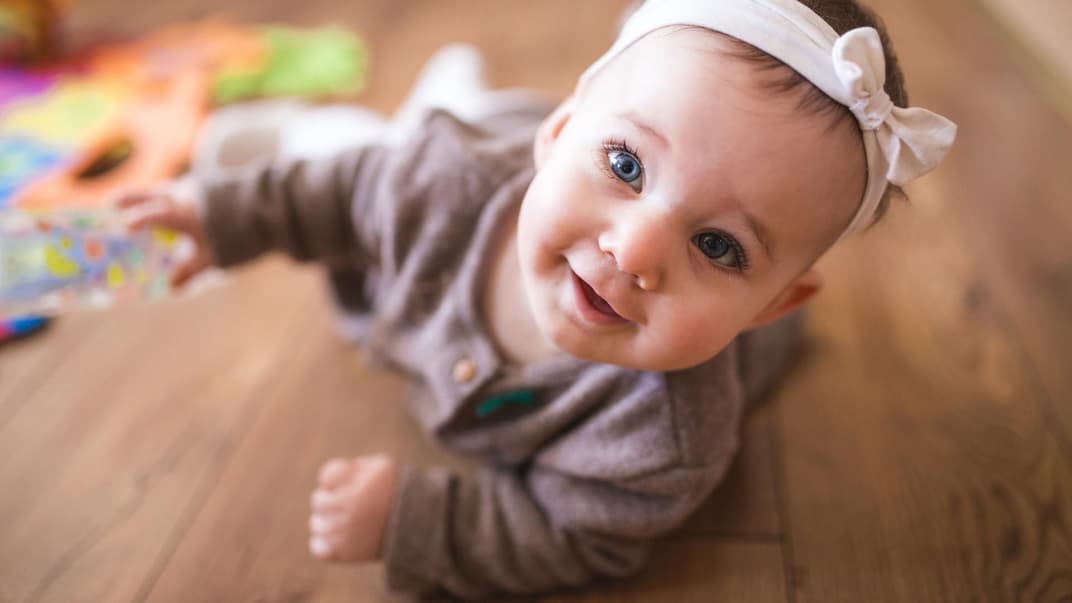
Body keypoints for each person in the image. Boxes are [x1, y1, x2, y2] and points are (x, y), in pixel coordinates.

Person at [119, 0, 957, 597]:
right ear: (561, 136)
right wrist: (219, 216)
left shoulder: (666, 435)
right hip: (478, 150)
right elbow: (339, 194)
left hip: (514, 157)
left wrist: (418, 518)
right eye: (627, 165)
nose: (632, 252)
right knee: (378, 152)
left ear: (774, 306)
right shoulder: (441, 184)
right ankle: (453, 97)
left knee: (419, 145)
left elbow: (569, 531)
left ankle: (469, 99)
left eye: (718, 246)